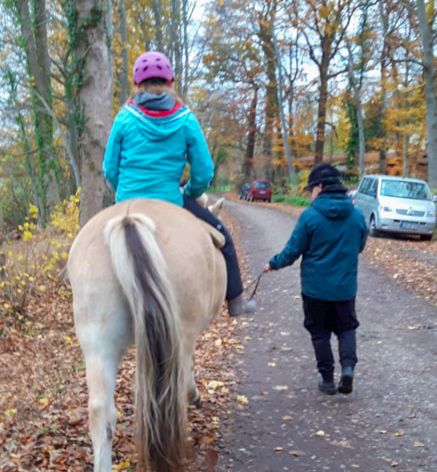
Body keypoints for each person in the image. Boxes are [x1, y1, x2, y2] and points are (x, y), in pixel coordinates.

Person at [102, 51, 255, 317]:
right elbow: (204, 172)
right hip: (171, 202)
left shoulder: (124, 118)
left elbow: (109, 169)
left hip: (126, 202)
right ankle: (237, 302)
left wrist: (124, 191)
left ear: (137, 84)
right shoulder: (185, 119)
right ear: (171, 82)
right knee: (225, 238)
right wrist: (190, 193)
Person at [263, 163, 368, 395]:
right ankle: (348, 369)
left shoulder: (309, 216)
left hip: (315, 290)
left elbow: (293, 251)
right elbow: (359, 245)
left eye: (311, 188)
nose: (310, 193)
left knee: (319, 332)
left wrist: (273, 263)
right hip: (345, 289)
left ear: (320, 187)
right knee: (346, 328)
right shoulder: (357, 215)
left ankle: (328, 379)